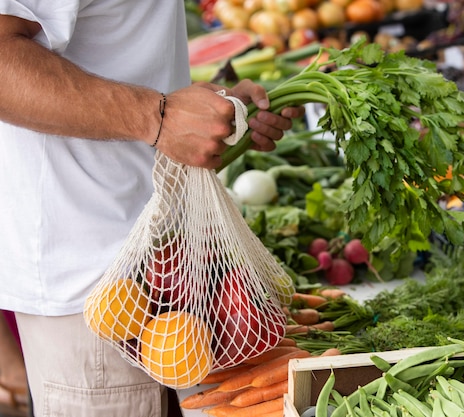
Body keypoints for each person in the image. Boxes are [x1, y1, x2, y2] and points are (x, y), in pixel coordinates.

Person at [0, 2, 304, 416]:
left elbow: (116, 48)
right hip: (94, 293)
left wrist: (205, 109)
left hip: (171, 268)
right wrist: (158, 117)